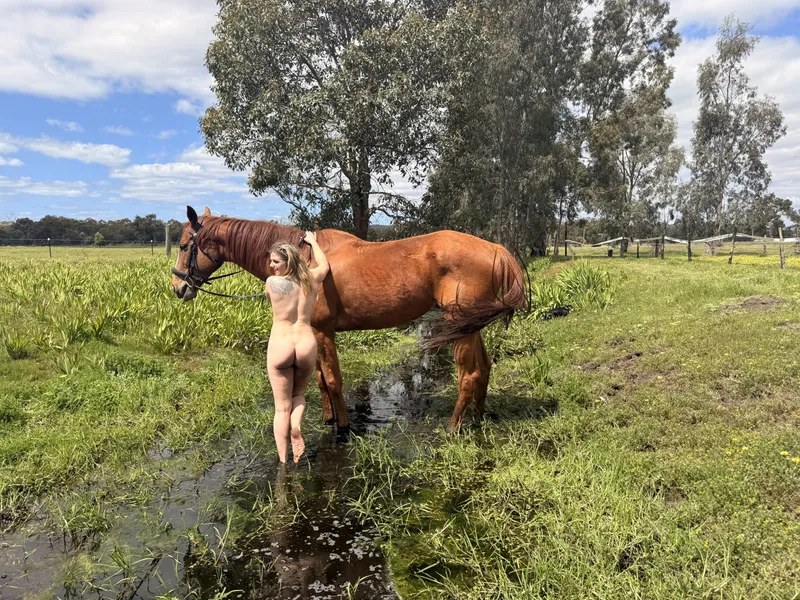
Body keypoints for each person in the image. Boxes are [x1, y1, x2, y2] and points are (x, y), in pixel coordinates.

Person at [265, 232, 329, 464]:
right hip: (305, 343)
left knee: (281, 408)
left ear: (287, 262)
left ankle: (283, 461)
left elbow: (273, 298)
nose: (272, 266)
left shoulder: (271, 283)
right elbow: (325, 266)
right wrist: (314, 243)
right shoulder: (311, 279)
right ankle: (296, 427)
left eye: (276, 262)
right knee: (299, 395)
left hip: (280, 344)